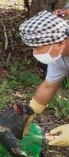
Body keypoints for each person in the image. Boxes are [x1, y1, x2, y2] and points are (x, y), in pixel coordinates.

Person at [19, 10, 69, 147]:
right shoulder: (59, 54)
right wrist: (30, 113)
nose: (35, 53)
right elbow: (48, 86)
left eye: (38, 48)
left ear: (60, 43)